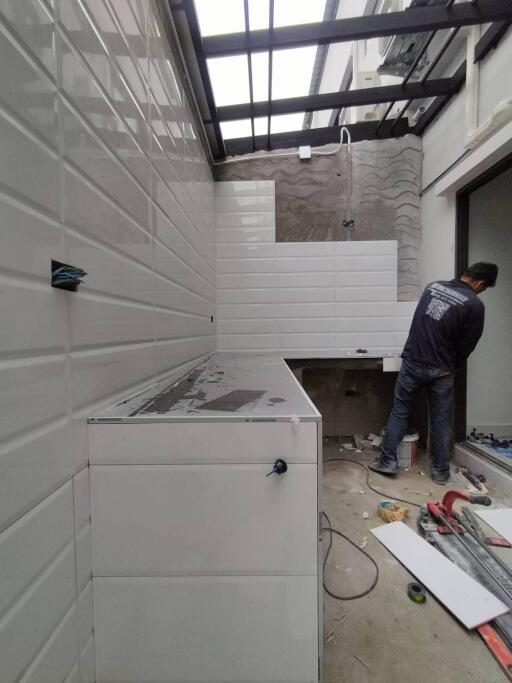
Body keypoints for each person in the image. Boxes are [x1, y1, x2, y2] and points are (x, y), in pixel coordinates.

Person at [369, 262, 498, 484]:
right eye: (483, 288)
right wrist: (452, 365)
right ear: (479, 283)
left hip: (413, 360)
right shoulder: (474, 304)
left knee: (400, 411)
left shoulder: (432, 287)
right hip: (441, 369)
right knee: (439, 421)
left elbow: (420, 322)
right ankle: (440, 472)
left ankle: (388, 462)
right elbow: (468, 344)